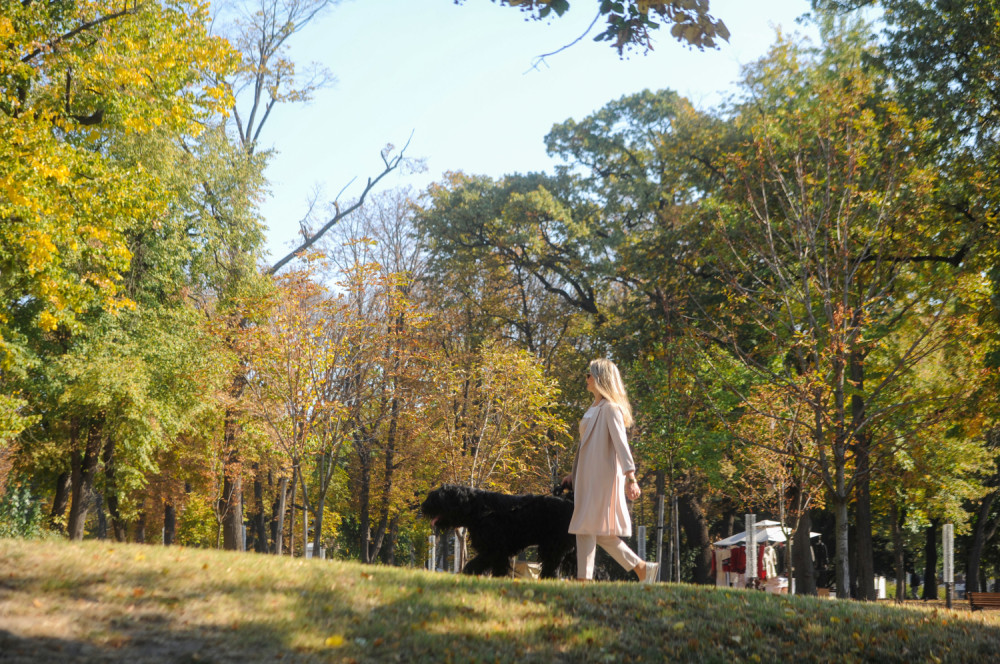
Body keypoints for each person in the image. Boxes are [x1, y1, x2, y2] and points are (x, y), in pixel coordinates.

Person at [561, 358, 658, 583]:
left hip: (602, 477)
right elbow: (585, 445)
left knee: (586, 525)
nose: (586, 378)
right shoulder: (593, 408)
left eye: (589, 374)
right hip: (586, 476)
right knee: (591, 528)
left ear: (600, 378)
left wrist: (631, 477)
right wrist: (574, 473)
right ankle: (641, 568)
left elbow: (621, 446)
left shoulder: (611, 409)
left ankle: (585, 579)